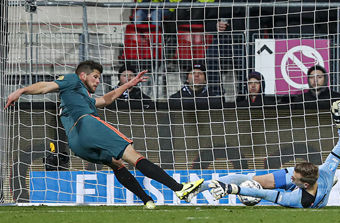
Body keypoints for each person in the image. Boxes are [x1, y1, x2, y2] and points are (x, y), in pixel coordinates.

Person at [5, 60, 203, 209]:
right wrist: (21, 90)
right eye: (95, 77)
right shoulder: (73, 80)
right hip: (87, 124)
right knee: (132, 155)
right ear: (83, 75)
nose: (98, 81)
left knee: (116, 164)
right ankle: (179, 188)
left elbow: (106, 100)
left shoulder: (80, 98)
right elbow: (46, 86)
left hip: (77, 144)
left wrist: (128, 84)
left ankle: (147, 201)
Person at [187, 100, 340, 208]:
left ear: (304, 185)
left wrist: (231, 189)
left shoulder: (297, 200)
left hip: (313, 197)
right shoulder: (327, 169)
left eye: (294, 178)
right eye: (294, 173)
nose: (292, 176)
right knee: (250, 180)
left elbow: (262, 193)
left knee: (261, 187)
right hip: (318, 181)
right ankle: (196, 188)